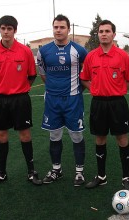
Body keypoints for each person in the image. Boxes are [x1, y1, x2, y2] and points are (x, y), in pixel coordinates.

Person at [0, 15, 42, 186]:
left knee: (24, 134)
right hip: (0, 100)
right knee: (1, 135)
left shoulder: (25, 51)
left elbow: (32, 75)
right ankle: (2, 173)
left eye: (9, 29)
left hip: (20, 100)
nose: (6, 32)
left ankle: (31, 172)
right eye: (3, 28)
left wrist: (19, 88)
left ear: (15, 30)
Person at [80, 20, 129, 190]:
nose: (103, 33)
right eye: (101, 31)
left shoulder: (123, 56)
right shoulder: (91, 56)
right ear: (98, 34)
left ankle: (126, 177)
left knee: (122, 138)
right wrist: (94, 89)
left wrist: (119, 90)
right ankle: (101, 176)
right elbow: (84, 78)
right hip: (98, 103)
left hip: (118, 103)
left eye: (107, 31)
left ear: (113, 34)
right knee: (100, 138)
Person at [37, 14, 88, 186]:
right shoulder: (43, 51)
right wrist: (54, 88)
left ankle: (79, 172)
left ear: (68, 29)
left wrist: (77, 88)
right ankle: (56, 169)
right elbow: (43, 74)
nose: (58, 30)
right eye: (56, 27)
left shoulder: (79, 51)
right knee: (55, 134)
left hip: (73, 100)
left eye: (62, 27)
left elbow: (87, 73)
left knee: (76, 135)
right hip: (52, 100)